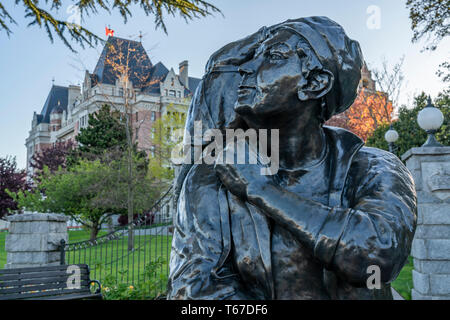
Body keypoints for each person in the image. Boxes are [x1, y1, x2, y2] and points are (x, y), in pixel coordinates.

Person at [168, 16, 417, 300]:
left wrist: (262, 191)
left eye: (273, 56)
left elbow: (377, 257)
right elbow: (195, 292)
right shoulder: (213, 176)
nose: (247, 69)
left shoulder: (372, 168)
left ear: (315, 83)